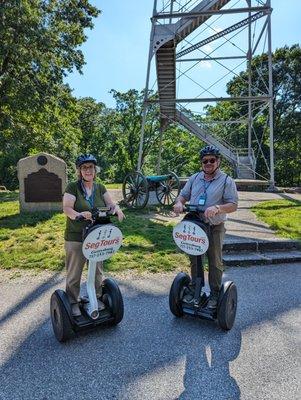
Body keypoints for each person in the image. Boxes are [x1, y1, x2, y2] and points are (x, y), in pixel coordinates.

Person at [173, 145, 238, 309]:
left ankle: (215, 294)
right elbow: (183, 196)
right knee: (195, 259)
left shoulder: (226, 181)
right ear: (201, 163)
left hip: (215, 226)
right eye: (205, 161)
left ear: (218, 161)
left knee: (214, 261)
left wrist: (217, 208)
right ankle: (195, 288)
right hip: (195, 225)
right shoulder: (194, 178)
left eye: (212, 160)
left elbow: (233, 205)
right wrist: (179, 203)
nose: (208, 163)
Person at [63, 154, 125, 316]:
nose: (88, 170)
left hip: (96, 236)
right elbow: (67, 208)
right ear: (80, 171)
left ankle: (95, 297)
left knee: (97, 270)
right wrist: (79, 215)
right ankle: (72, 301)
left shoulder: (100, 187)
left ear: (95, 170)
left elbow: (110, 205)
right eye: (84, 168)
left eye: (90, 167)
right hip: (76, 235)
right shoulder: (72, 187)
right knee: (74, 272)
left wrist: (117, 209)